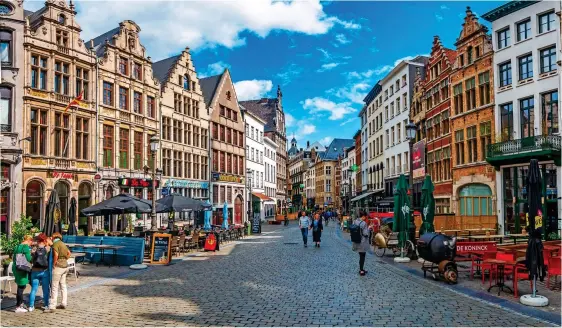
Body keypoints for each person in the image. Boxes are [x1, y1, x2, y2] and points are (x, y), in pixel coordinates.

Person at [29, 234, 52, 312]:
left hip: (34, 271)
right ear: (45, 240)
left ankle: (31, 306)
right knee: (45, 289)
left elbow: (30, 259)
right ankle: (46, 305)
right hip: (44, 271)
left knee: (33, 289)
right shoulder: (48, 248)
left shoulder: (34, 249)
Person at [49, 232, 71, 310]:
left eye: (51, 237)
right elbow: (69, 253)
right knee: (63, 285)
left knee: (54, 286)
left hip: (58, 267)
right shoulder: (63, 243)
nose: (51, 238)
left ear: (54, 237)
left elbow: (56, 255)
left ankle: (52, 305)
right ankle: (64, 303)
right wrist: (65, 259)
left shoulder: (55, 244)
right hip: (65, 266)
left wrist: (54, 264)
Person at [12, 235, 33, 313]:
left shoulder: (17, 246)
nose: (31, 244)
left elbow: (14, 257)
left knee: (20, 286)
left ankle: (20, 303)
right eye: (31, 242)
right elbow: (29, 258)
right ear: (29, 240)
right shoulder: (25, 247)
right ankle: (18, 306)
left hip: (16, 267)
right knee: (21, 287)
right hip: (22, 269)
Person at [352, 211, 371, 276]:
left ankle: (361, 268)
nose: (366, 218)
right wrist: (369, 229)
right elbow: (366, 234)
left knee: (361, 256)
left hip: (355, 241)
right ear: (363, 216)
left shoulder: (354, 221)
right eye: (365, 217)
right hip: (362, 242)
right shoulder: (364, 223)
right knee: (362, 256)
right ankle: (361, 270)